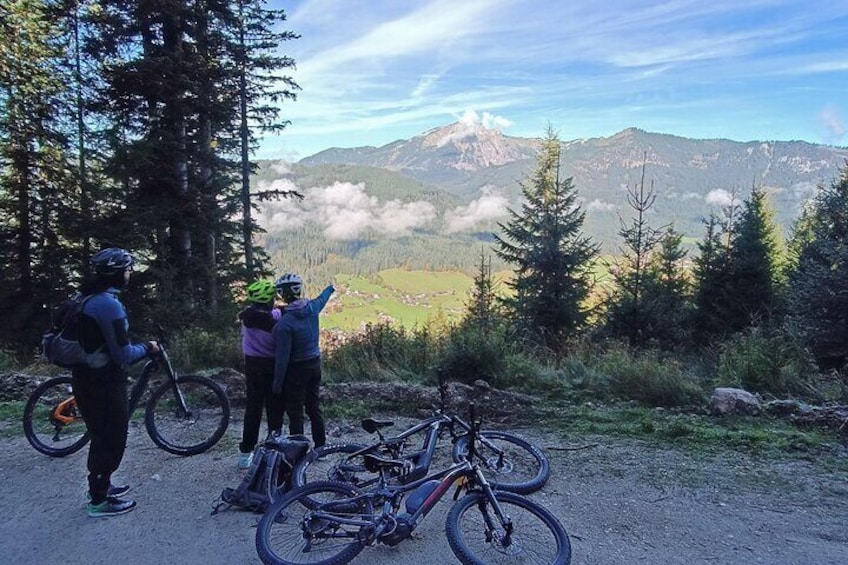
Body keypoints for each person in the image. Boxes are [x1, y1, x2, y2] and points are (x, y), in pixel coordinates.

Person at [74, 247, 159, 518]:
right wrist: (148, 348)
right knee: (111, 438)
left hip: (85, 377)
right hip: (104, 382)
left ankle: (100, 486)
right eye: (127, 269)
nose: (130, 272)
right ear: (116, 274)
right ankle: (99, 501)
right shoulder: (108, 304)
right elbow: (122, 355)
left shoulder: (87, 297)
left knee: (100, 435)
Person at [272, 273, 334, 448]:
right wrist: (330, 288)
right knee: (314, 408)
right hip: (314, 364)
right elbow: (323, 298)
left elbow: (282, 357)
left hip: (296, 370)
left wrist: (277, 383)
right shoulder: (313, 308)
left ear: (282, 294)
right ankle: (320, 446)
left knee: (295, 411)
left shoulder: (284, 324)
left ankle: (298, 451)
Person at [236, 279, 285, 469]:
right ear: (268, 300)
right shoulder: (276, 316)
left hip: (252, 366)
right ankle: (274, 449)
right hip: (272, 365)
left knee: (253, 410)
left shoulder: (246, 318)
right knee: (275, 408)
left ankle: (245, 453)